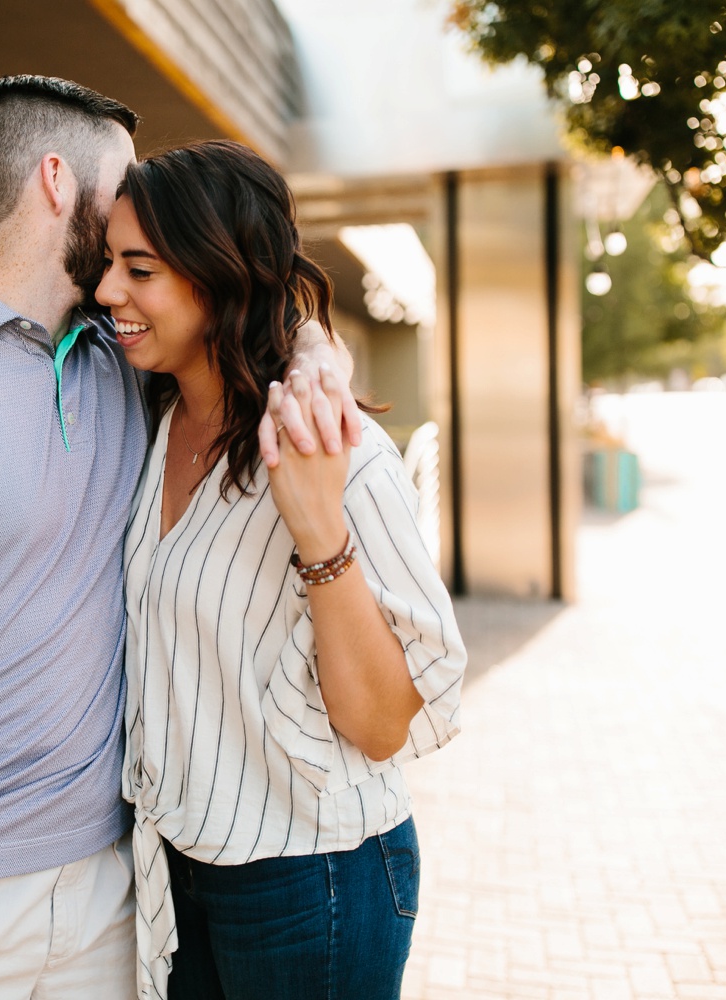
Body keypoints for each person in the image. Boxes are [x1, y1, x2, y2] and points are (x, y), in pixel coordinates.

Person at [0, 76, 356, 999]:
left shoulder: (129, 361)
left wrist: (318, 350)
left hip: (109, 888)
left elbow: (243, 316)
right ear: (58, 180)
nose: (141, 213)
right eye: (122, 182)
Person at [97, 141, 466, 999]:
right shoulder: (149, 427)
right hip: (177, 868)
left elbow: (382, 726)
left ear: (218, 275)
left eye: (139, 269)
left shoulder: (339, 454)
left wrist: (317, 531)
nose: (109, 291)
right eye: (108, 264)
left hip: (314, 881)